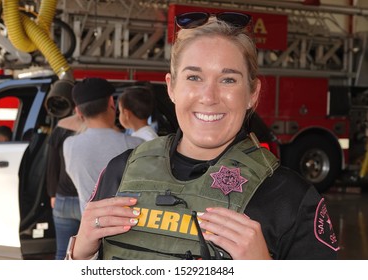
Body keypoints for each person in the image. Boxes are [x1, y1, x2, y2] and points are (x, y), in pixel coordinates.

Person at [67, 12, 339, 260]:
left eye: (228, 79)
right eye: (194, 78)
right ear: (171, 87)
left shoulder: (290, 198)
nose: (209, 97)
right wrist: (79, 256)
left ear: (252, 94)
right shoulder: (121, 171)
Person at [63, 77, 144, 214]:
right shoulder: (137, 144)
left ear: (78, 112)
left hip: (89, 230)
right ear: (111, 103)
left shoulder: (69, 145)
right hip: (127, 227)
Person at [46, 114, 85, 260]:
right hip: (90, 201)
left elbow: (52, 163)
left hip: (63, 200)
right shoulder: (102, 130)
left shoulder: (61, 127)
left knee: (63, 253)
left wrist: (52, 193)